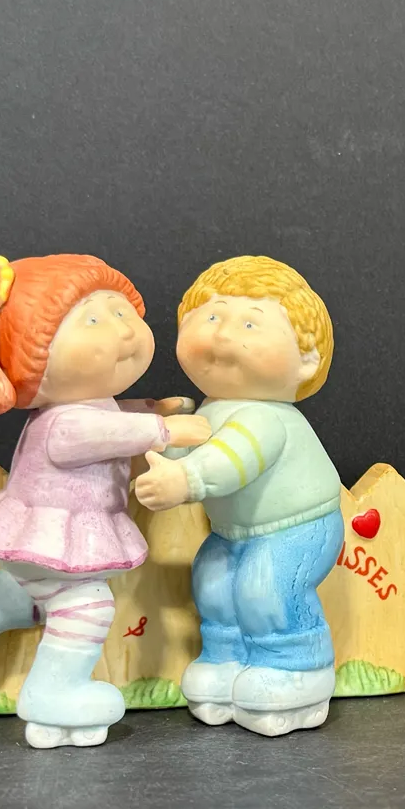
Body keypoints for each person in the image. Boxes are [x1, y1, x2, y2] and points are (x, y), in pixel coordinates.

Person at [0, 253, 209, 748]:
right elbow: (101, 432)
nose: (123, 329)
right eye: (94, 321)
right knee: (86, 605)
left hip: (51, 534)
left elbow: (111, 417)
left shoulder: (85, 406)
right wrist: (163, 429)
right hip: (53, 530)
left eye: (122, 312)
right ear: (35, 359)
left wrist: (148, 408)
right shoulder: (64, 423)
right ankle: (54, 694)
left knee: (50, 597)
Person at [134, 256, 343, 737]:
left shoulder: (265, 418)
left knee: (264, 588)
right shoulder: (213, 408)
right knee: (213, 583)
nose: (224, 334)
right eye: (211, 316)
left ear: (306, 359)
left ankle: (297, 669)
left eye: (250, 323)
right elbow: (192, 442)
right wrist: (163, 436)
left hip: (296, 528)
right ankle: (225, 660)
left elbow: (231, 460)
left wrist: (184, 480)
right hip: (233, 532)